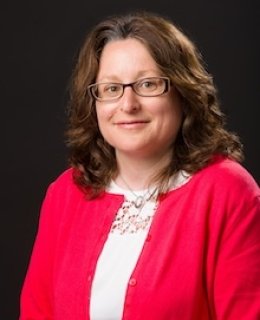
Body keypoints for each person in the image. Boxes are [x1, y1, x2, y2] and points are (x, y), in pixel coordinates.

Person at [20, 11, 260, 320]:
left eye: (148, 84)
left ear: (183, 93)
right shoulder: (65, 193)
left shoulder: (229, 192)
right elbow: (37, 313)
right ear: (93, 103)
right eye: (111, 88)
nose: (128, 104)